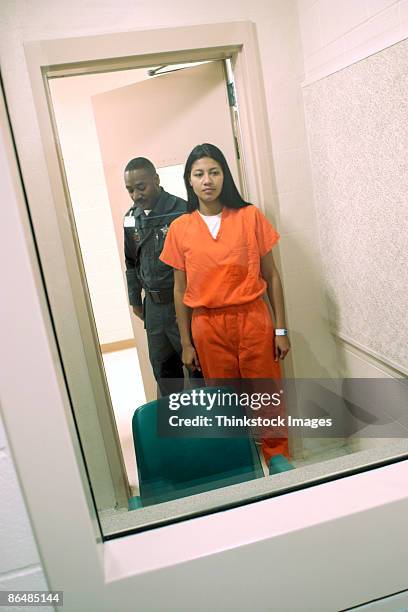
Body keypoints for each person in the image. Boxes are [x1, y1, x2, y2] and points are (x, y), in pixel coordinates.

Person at [159, 143, 291, 462]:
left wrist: (281, 329)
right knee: (225, 403)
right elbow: (180, 291)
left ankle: (279, 462)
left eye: (214, 172)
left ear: (225, 176)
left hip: (253, 319)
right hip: (208, 326)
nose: (208, 180)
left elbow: (271, 276)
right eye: (199, 174)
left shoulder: (249, 216)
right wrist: (187, 343)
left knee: (267, 398)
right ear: (189, 180)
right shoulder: (180, 229)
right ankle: (240, 467)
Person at [123, 157, 187, 396]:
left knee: (199, 369)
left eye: (141, 187)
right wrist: (135, 301)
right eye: (130, 190)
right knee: (165, 375)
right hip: (154, 310)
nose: (136, 195)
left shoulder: (181, 211)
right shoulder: (131, 218)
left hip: (182, 305)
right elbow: (130, 262)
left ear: (156, 180)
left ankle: (208, 427)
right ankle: (178, 428)